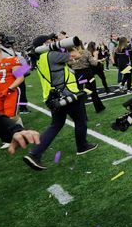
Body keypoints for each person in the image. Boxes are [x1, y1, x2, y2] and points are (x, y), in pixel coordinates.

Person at [23, 35, 97, 170]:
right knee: (80, 121)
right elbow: (76, 55)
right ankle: (82, 146)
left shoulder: (40, 58)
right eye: (50, 41)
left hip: (52, 97)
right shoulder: (51, 55)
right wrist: (63, 45)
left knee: (56, 125)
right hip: (68, 95)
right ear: (45, 44)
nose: (54, 42)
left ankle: (35, 154)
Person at [69, 44, 106, 113]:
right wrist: (95, 56)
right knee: (93, 91)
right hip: (88, 74)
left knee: (79, 93)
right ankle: (99, 107)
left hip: (79, 75)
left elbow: (69, 63)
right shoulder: (86, 52)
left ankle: (82, 112)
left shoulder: (70, 53)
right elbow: (93, 63)